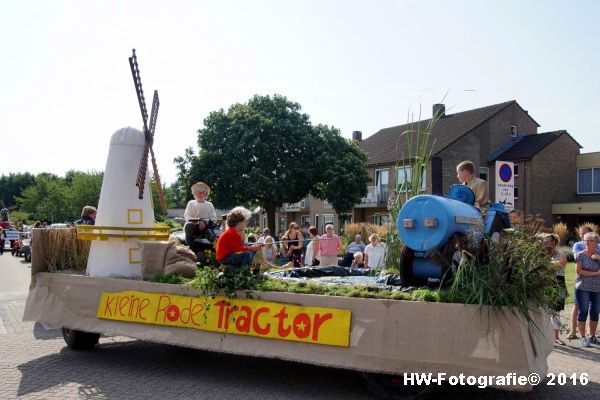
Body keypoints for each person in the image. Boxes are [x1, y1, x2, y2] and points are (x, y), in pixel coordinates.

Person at [568, 225, 600, 340]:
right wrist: (596, 273)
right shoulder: (580, 254)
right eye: (585, 240)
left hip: (597, 288)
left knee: (595, 312)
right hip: (583, 288)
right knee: (583, 312)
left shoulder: (599, 254)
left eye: (589, 241)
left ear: (596, 242)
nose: (586, 242)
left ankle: (591, 336)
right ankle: (582, 337)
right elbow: (579, 271)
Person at [543, 234, 568, 345]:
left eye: (547, 241)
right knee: (544, 311)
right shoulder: (542, 254)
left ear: (553, 242)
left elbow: (561, 264)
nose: (544, 243)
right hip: (544, 284)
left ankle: (556, 337)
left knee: (556, 312)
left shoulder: (561, 254)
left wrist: (546, 264)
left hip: (558, 283)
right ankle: (545, 337)